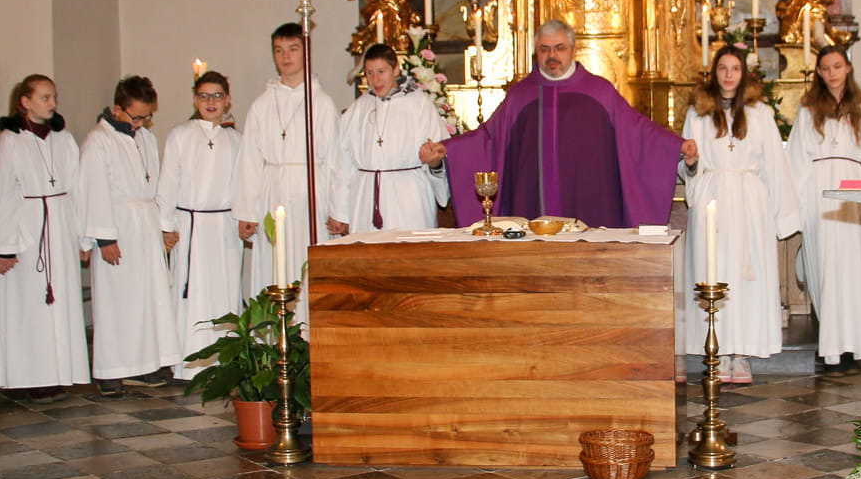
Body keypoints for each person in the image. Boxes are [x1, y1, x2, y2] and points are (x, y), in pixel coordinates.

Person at [445, 20, 693, 229]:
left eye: (559, 48)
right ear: (536, 52)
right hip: (532, 207)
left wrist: (676, 146)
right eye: (544, 49)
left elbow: (637, 131)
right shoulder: (520, 95)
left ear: (573, 50)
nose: (552, 56)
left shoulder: (599, 91)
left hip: (591, 203)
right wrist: (448, 149)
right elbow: (488, 138)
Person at [681, 45, 799, 384]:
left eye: (734, 68)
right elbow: (688, 163)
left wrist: (782, 214)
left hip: (749, 203)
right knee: (713, 272)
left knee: (747, 278)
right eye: (723, 68)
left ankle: (742, 353)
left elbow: (775, 164)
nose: (729, 74)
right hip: (712, 199)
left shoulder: (759, 113)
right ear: (714, 72)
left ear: (743, 73)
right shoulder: (699, 113)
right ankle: (717, 351)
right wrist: (690, 162)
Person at [79, 75, 179, 395]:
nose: (141, 123)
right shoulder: (98, 141)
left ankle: (145, 364)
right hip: (118, 227)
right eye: (136, 117)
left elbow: (156, 183)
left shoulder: (145, 138)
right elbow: (93, 190)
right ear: (117, 108)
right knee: (117, 301)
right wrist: (104, 238)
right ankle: (111, 370)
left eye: (147, 117)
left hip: (145, 226)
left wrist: (163, 226)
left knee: (147, 299)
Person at [0, 75, 89, 401]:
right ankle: (31, 374)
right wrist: (6, 246)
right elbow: (4, 192)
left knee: (61, 301)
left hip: (61, 225)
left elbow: (77, 188)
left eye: (54, 97)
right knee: (31, 305)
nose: (52, 103)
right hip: (28, 229)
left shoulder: (63, 138)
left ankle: (61, 370)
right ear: (25, 101)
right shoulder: (11, 140)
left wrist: (82, 238)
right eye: (45, 97)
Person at [786, 45, 861, 371]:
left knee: (852, 269)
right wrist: (797, 205)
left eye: (837, 66)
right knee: (822, 266)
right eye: (825, 68)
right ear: (819, 72)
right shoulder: (808, 109)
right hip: (818, 190)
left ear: (848, 68)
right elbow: (796, 158)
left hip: (853, 187)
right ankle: (830, 348)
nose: (832, 74)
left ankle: (854, 346)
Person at [235, 23, 341, 300]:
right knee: (274, 264)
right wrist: (246, 210)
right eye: (279, 50)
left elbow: (335, 160)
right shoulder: (261, 105)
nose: (285, 56)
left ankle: (307, 326)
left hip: (311, 195)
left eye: (293, 49)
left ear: (306, 52)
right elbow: (250, 160)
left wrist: (338, 209)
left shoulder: (321, 103)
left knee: (308, 263)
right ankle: (273, 325)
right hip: (272, 193)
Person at [155, 71, 245, 380]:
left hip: (224, 227)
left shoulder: (236, 140)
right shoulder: (180, 135)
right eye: (204, 96)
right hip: (190, 224)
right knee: (189, 294)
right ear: (195, 99)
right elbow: (168, 181)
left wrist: (245, 217)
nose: (211, 102)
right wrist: (165, 225)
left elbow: (243, 184)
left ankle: (224, 363)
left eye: (217, 95)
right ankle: (187, 364)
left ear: (227, 100)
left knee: (224, 291)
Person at [331, 45, 450, 235]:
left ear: (395, 70)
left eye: (381, 71)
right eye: (369, 73)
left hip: (410, 198)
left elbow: (440, 151)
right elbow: (342, 163)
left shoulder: (419, 104)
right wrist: (340, 212)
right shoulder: (359, 108)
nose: (375, 79)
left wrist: (434, 161)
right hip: (365, 198)